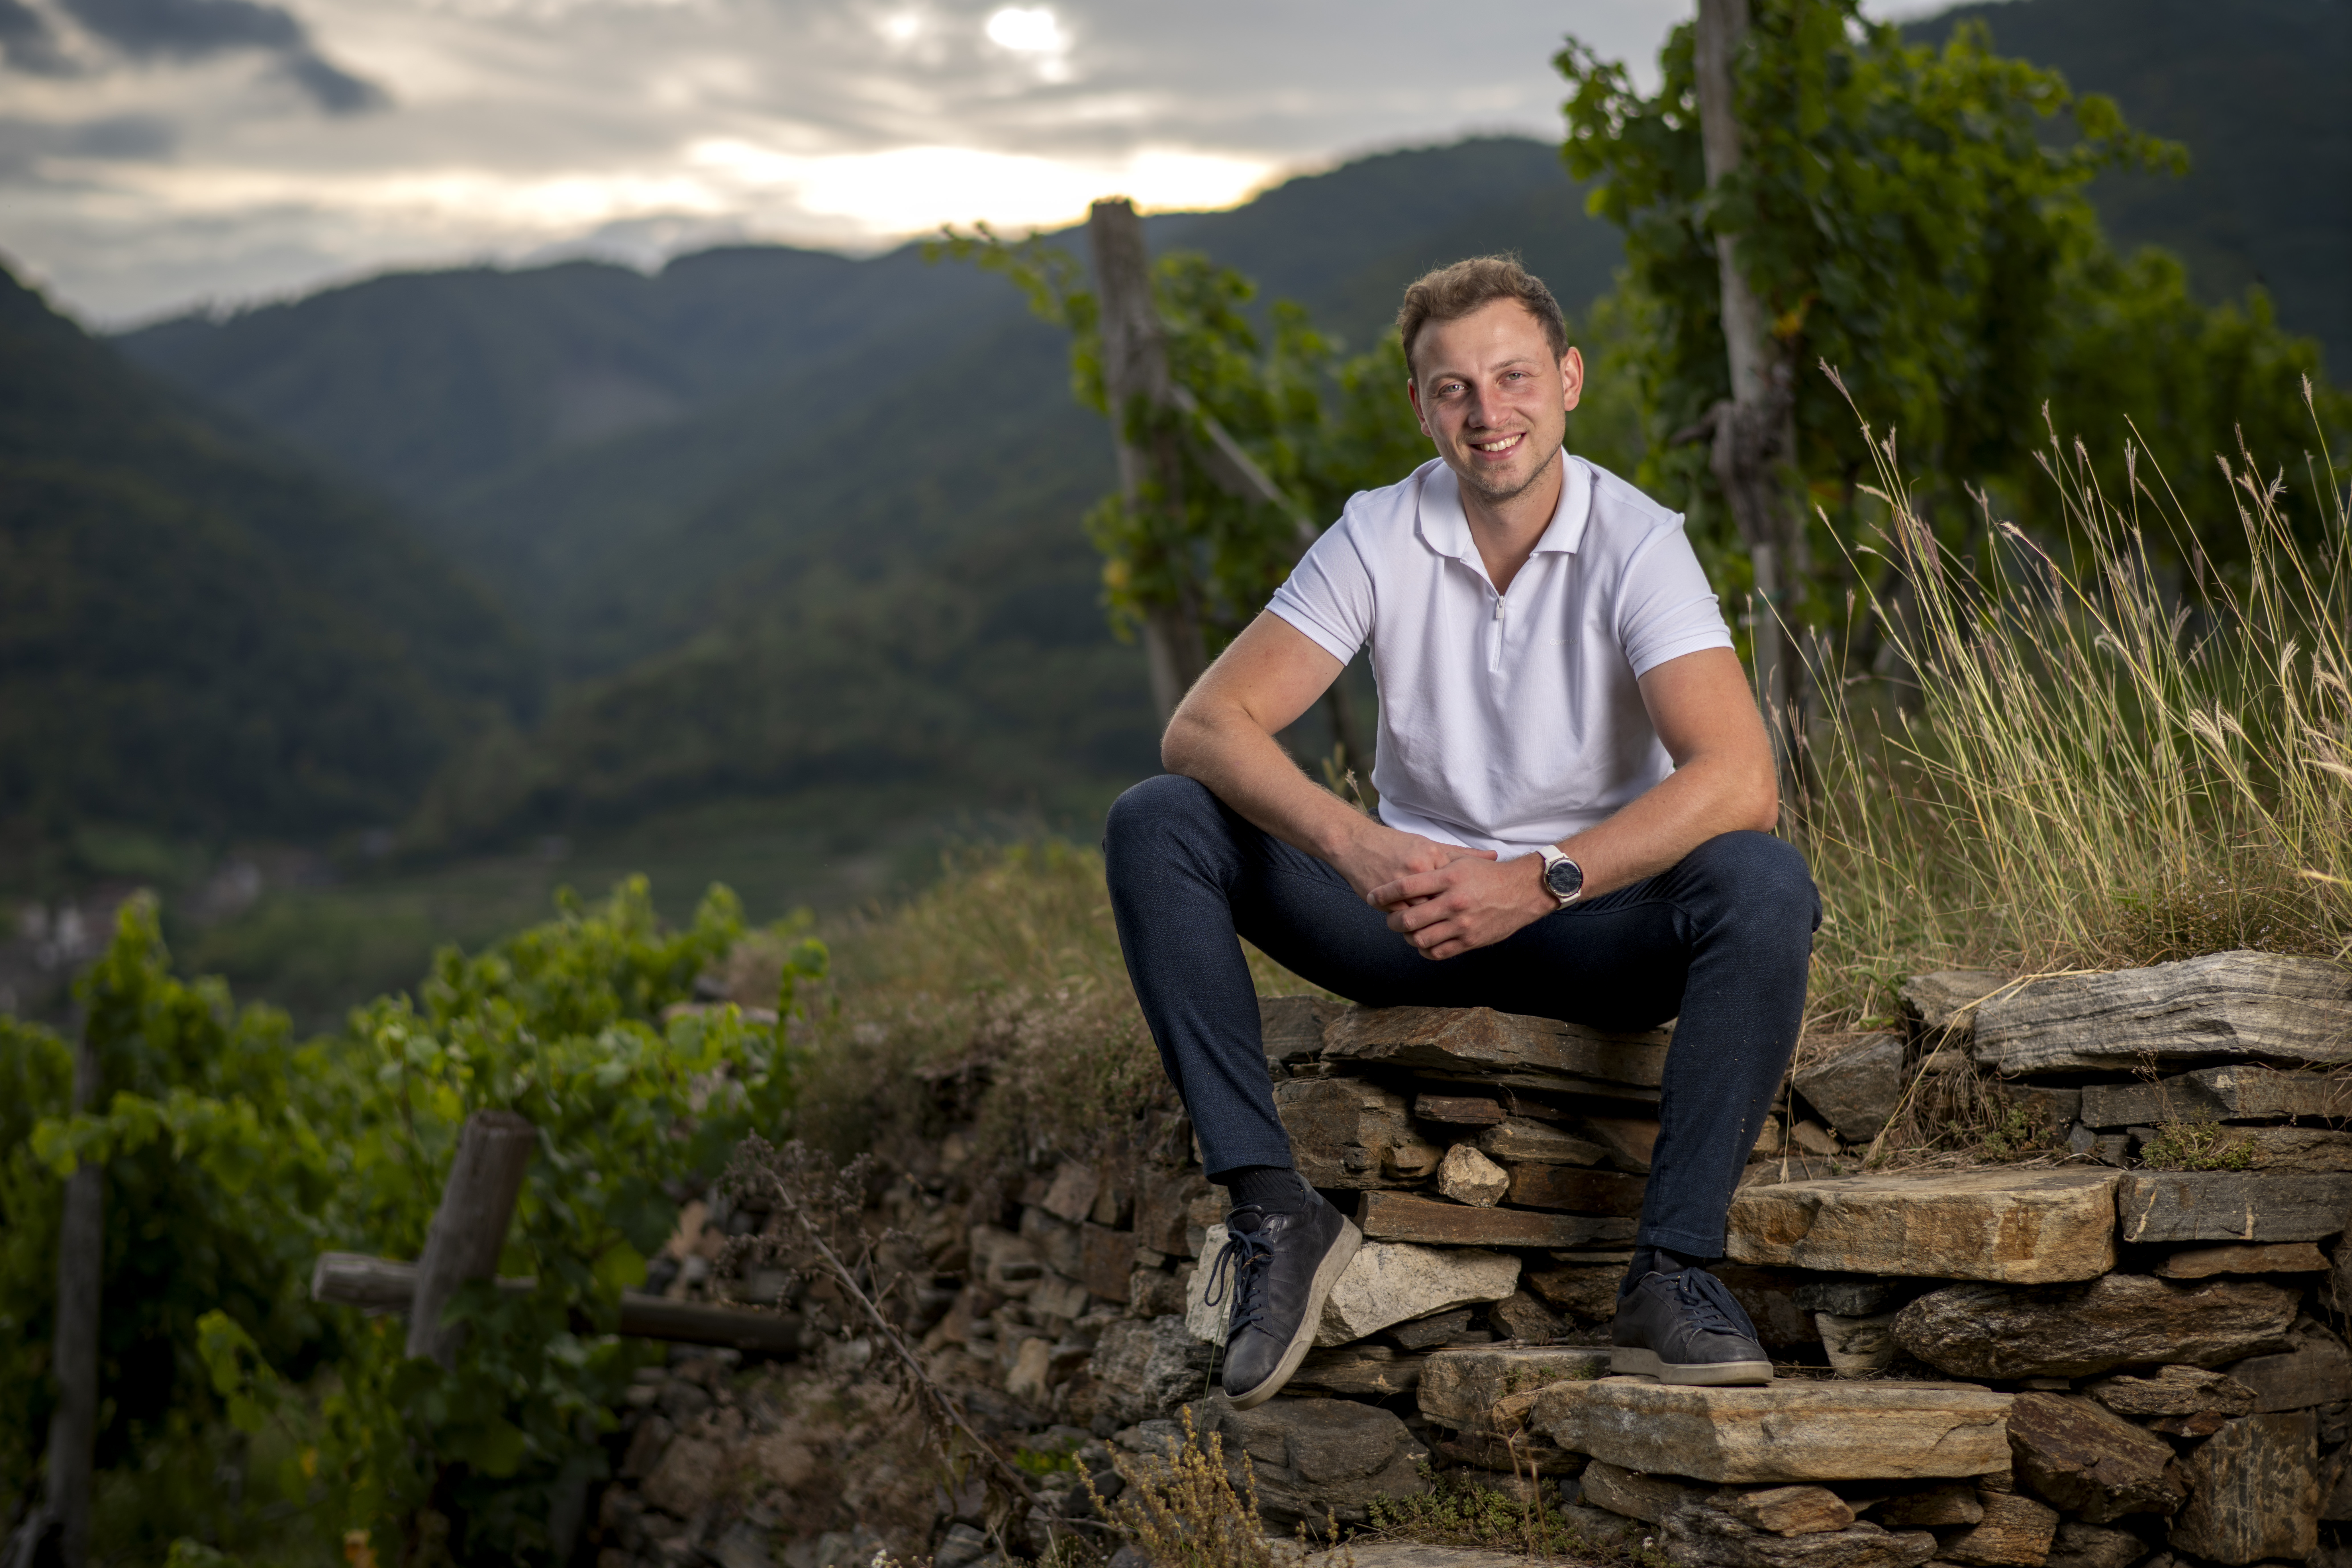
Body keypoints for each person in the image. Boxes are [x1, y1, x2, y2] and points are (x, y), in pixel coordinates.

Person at [1101, 256, 1820, 1410]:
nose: (1490, 414)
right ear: (1420, 405)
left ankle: (1673, 1271)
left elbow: (1740, 777)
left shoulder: (1637, 540)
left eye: (1514, 376)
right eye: (1454, 389)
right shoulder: (1379, 531)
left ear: (1569, 378)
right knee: (1159, 819)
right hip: (1410, 915)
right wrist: (1358, 846)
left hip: (1591, 925)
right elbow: (1206, 723)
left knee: (1763, 882)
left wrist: (1544, 878)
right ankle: (1273, 1213)